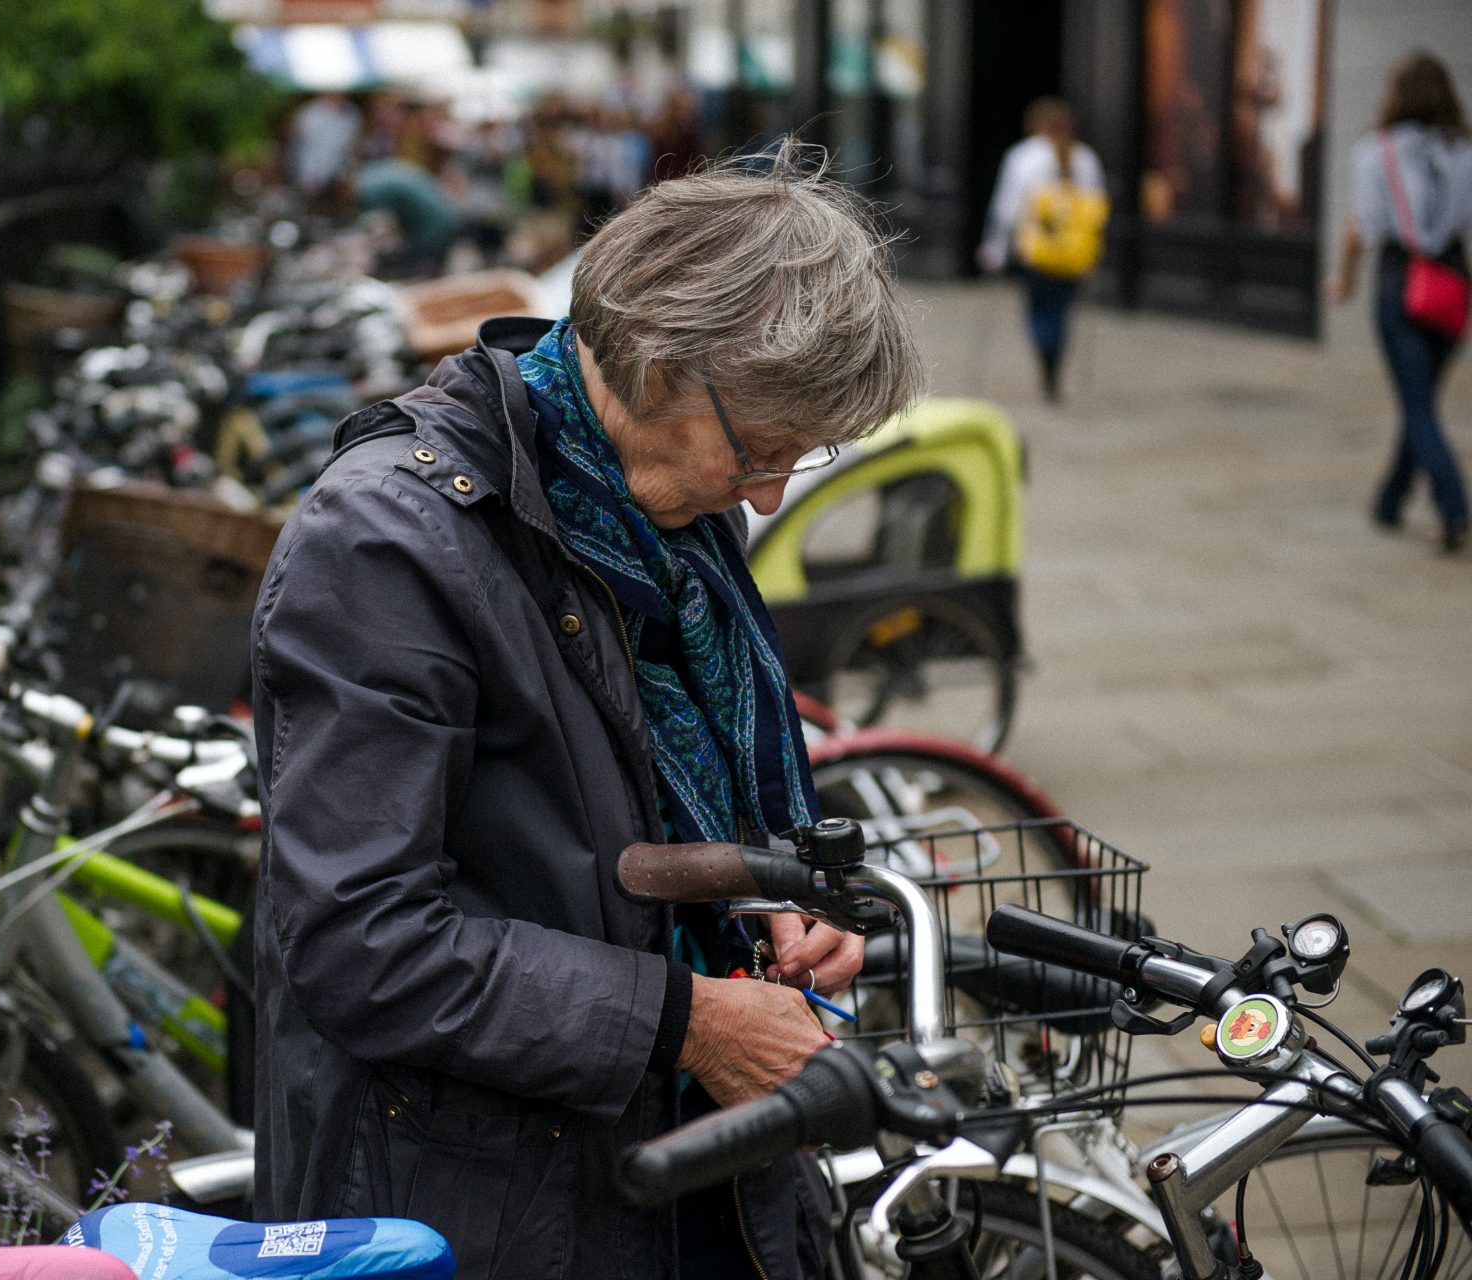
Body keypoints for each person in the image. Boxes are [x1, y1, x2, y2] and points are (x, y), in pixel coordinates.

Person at [250, 145, 923, 1279]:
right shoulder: (385, 541)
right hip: (484, 1207)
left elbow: (632, 815)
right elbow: (362, 940)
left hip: (679, 1162)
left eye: (799, 459)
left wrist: (777, 894)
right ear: (657, 362)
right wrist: (687, 1019)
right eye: (759, 448)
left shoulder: (657, 509)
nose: (765, 494)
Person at [1329, 52, 1472, 555]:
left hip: (1402, 282)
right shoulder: (1465, 150)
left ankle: (1453, 504)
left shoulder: (1376, 153)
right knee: (1421, 400)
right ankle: (1390, 500)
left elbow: (1360, 229)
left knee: (1417, 405)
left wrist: (1343, 280)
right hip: (1454, 282)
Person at [978, 97, 1108, 402]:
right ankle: (1054, 359)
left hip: (1035, 251)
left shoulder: (1023, 157)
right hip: (1074, 253)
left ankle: (1045, 355)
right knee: (1061, 310)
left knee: (1038, 308)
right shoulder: (1086, 158)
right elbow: (1097, 209)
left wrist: (995, 248)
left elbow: (1007, 208)